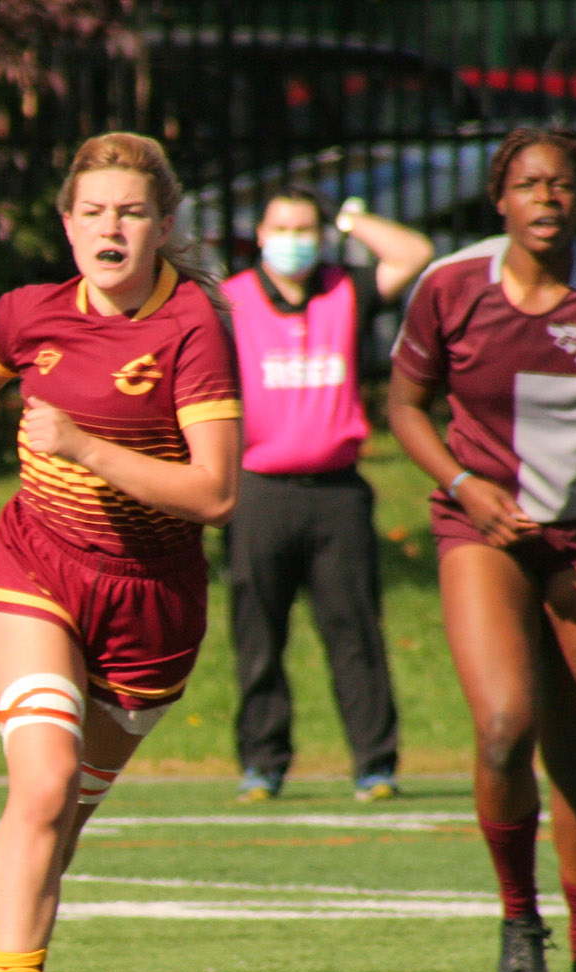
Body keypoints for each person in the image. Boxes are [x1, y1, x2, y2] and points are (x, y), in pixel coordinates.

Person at [0, 132, 241, 972]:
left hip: (152, 608)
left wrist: (85, 444)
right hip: (36, 568)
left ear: (163, 227)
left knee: (56, 821)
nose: (109, 228)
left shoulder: (190, 327)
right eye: (91, 211)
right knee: (39, 783)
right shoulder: (26, 313)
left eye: (130, 212)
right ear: (65, 223)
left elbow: (213, 493)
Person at [387, 127, 576, 972]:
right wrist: (464, 485)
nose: (548, 199)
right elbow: (405, 405)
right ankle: (517, 917)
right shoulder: (453, 288)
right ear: (500, 199)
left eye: (564, 185)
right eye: (530, 185)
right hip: (486, 533)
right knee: (506, 723)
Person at [223, 187, 432, 802]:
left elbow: (414, 252)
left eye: (306, 228)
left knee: (355, 633)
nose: (293, 239)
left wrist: (352, 219)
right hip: (258, 491)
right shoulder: (230, 302)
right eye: (282, 226)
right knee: (258, 634)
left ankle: (376, 764)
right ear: (259, 234)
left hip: (338, 493)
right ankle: (263, 764)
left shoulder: (346, 289)